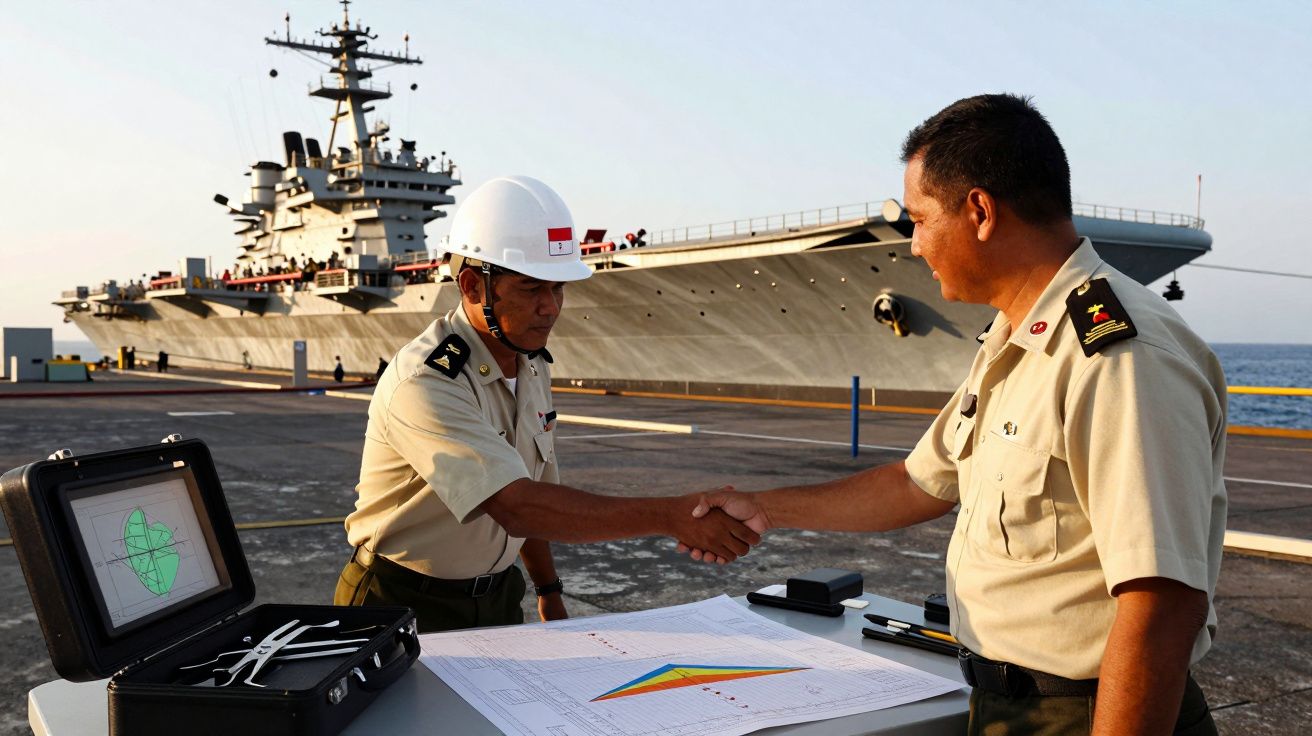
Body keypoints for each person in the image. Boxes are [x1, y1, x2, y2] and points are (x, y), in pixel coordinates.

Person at [683, 95, 1225, 735]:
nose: (913, 246)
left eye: (919, 219)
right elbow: (919, 483)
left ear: (980, 212)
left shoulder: (1117, 358)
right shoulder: (1013, 338)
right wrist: (767, 509)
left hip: (1085, 713)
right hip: (1008, 706)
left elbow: (1161, 602)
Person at [336, 175, 758, 633]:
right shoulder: (428, 381)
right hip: (399, 603)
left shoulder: (531, 365)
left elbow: (532, 489)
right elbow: (518, 505)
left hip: (497, 596)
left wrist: (548, 590)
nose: (551, 307)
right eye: (531, 288)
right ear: (473, 286)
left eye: (558, 288)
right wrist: (672, 516)